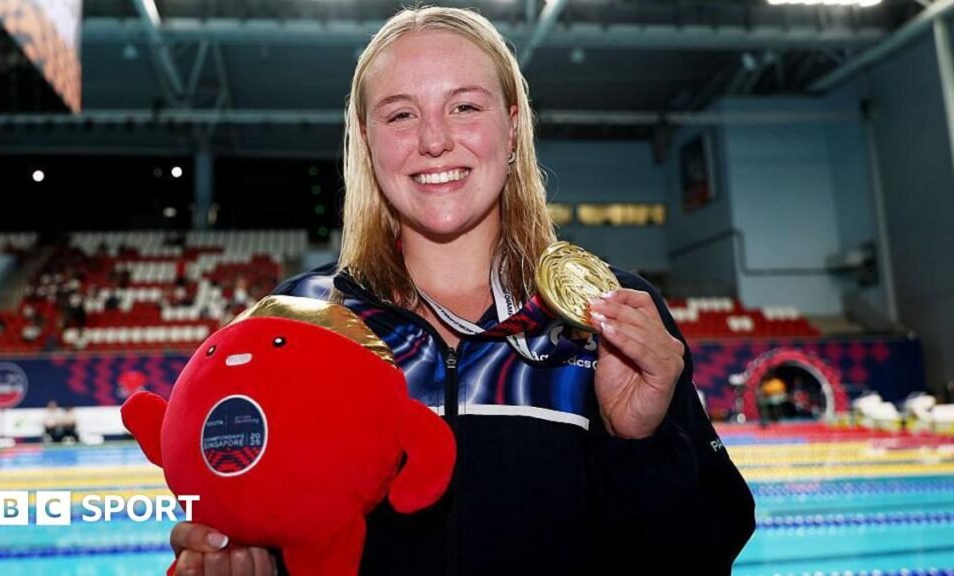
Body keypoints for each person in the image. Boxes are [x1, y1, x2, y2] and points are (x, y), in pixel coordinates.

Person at [168, 7, 754, 576]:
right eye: (400, 115)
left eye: (465, 106)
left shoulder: (612, 314)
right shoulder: (300, 323)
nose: (434, 141)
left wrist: (641, 445)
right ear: (367, 141)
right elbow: (265, 522)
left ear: (514, 124)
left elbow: (703, 555)